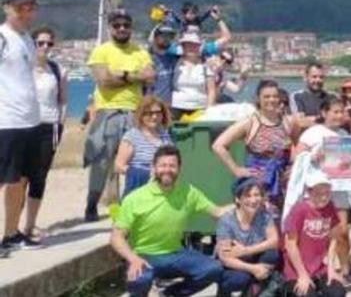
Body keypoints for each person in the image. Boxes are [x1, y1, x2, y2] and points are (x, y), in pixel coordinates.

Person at [110, 145, 226, 297]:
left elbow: (217, 212)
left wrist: (246, 205)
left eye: (172, 165)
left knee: (213, 269)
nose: (167, 170)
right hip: (144, 255)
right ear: (153, 167)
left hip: (175, 254)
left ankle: (170, 294)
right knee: (139, 279)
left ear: (179, 168)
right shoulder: (135, 198)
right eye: (162, 165)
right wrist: (133, 259)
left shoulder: (188, 192)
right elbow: (116, 237)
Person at [84, 9, 155, 221]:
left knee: (137, 160)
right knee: (101, 162)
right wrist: (134, 76)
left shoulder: (140, 52)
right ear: (110, 28)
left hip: (134, 112)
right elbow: (103, 80)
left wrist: (120, 74)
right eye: (117, 25)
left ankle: (129, 206)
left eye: (126, 25)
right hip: (108, 110)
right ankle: (91, 205)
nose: (122, 28)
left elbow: (150, 77)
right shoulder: (101, 51)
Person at [0, 0, 41, 255]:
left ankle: (11, 234)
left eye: (30, 7)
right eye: (20, 7)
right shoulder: (2, 37)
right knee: (4, 180)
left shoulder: (27, 39)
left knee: (20, 181)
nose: (25, 12)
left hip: (30, 120)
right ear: (7, 8)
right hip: (6, 120)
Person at [212, 81, 294, 213]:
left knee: (280, 225)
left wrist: (293, 166)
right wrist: (236, 170)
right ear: (258, 99)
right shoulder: (249, 122)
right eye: (266, 97)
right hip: (257, 185)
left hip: (282, 183)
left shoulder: (288, 122)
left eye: (274, 96)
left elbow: (296, 146)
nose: (271, 100)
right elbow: (218, 145)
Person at [18, 26, 65, 247]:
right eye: (41, 43)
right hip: (24, 127)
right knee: (19, 178)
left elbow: (62, 100)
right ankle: (11, 228)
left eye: (49, 43)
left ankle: (29, 225)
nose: (45, 47)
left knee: (39, 177)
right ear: (32, 44)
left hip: (49, 127)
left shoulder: (57, 70)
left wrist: (61, 122)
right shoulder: (22, 69)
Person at [216, 178, 282, 297]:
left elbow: (274, 241)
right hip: (233, 264)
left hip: (253, 256)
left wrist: (245, 250)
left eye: (257, 195)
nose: (253, 200)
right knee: (239, 280)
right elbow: (224, 257)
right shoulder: (227, 220)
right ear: (238, 199)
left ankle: (256, 289)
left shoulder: (264, 215)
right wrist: (253, 269)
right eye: (247, 195)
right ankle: (224, 292)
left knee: (272, 255)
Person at [283, 171, 344, 297]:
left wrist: (331, 268)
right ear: (309, 192)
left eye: (327, 193)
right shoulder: (299, 210)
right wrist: (302, 274)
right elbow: (290, 245)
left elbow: (333, 239)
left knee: (338, 293)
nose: (323, 197)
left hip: (320, 267)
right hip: (297, 269)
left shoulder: (330, 207)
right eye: (318, 194)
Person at [115, 97, 175, 197]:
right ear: (141, 115)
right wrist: (144, 173)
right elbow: (118, 166)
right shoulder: (132, 136)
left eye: (158, 112)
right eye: (149, 113)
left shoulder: (165, 135)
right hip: (138, 189)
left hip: (162, 188)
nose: (154, 117)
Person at [170, 31, 215, 121]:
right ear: (183, 47)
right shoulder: (174, 64)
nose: (191, 48)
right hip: (177, 106)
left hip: (200, 107)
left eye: (194, 45)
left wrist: (209, 109)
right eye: (188, 45)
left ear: (199, 47)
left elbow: (211, 90)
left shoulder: (206, 66)